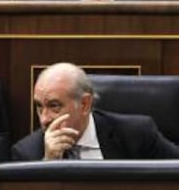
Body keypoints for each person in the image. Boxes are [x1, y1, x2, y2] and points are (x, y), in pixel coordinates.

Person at [11, 62, 179, 161]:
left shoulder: (137, 134)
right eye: (39, 106)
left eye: (54, 106)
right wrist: (48, 165)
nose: (44, 119)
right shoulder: (27, 153)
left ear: (85, 104)